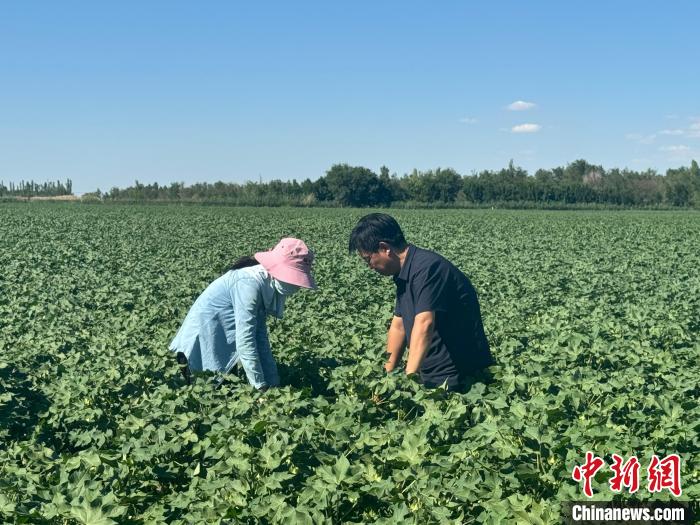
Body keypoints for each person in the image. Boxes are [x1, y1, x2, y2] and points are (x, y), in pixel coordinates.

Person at [349, 213, 494, 392]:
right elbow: (399, 325)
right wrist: (387, 375)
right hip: (434, 372)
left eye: (368, 259)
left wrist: (409, 377)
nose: (369, 266)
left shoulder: (427, 268)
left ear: (384, 248)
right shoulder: (405, 272)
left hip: (456, 376)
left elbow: (425, 323)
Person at [169, 238, 316, 390]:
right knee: (205, 395)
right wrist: (260, 386)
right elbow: (245, 340)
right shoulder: (248, 283)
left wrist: (273, 382)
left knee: (222, 392)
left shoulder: (264, 284)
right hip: (200, 344)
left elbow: (260, 337)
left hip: (220, 345)